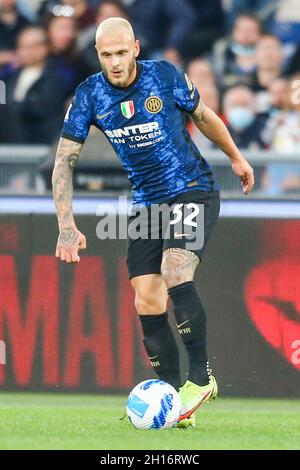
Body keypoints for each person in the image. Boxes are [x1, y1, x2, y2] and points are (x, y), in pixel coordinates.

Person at [52, 18, 254, 428]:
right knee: (146, 298)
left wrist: (235, 156)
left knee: (175, 269)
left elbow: (204, 115)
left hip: (192, 188)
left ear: (136, 48)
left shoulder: (164, 76)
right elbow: (64, 162)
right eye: (106, 55)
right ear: (98, 55)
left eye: (121, 52)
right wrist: (66, 225)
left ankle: (201, 379)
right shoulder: (90, 94)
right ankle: (175, 402)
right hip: (147, 204)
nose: (114, 62)